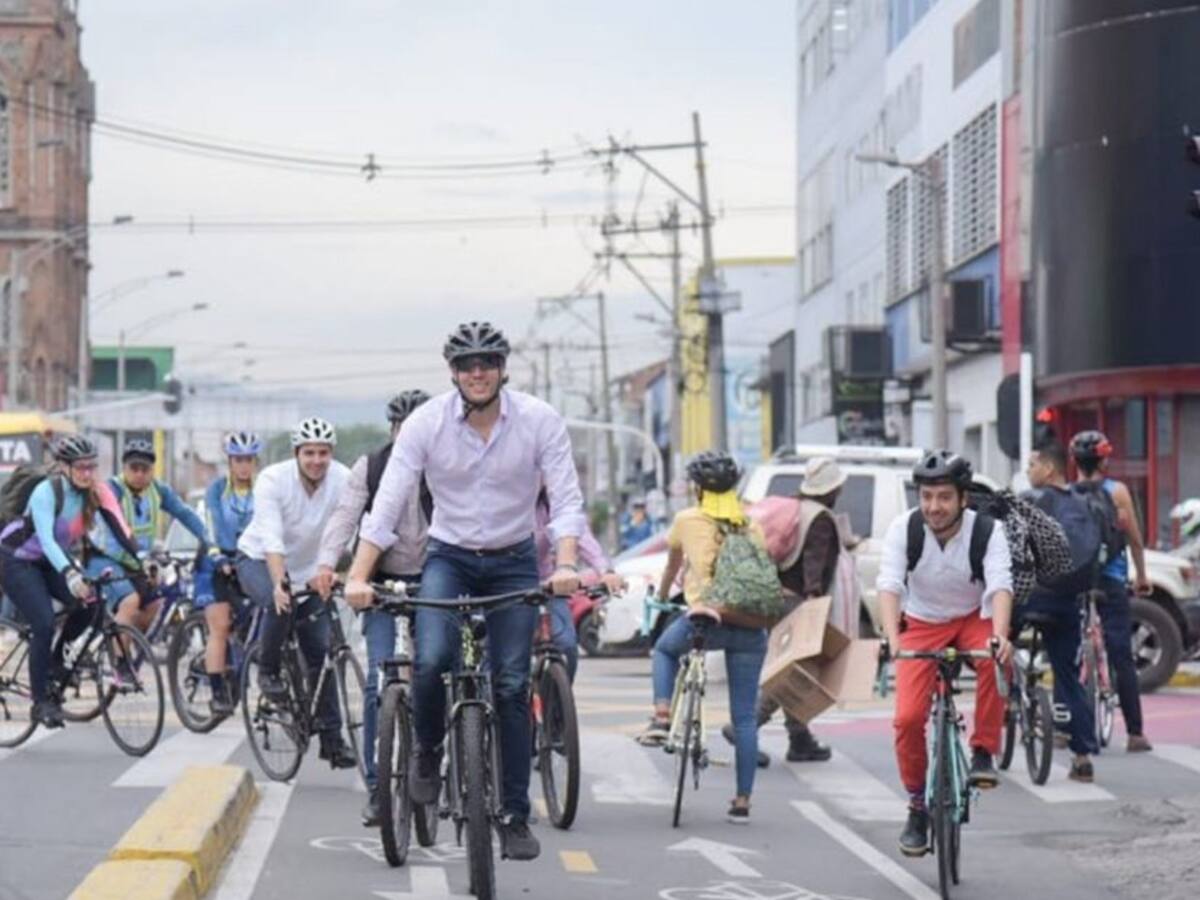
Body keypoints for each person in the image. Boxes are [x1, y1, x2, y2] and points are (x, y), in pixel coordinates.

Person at [344, 321, 585, 862]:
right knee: (429, 660)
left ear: (502, 369)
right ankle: (427, 752)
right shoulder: (427, 424)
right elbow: (385, 507)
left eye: (487, 363)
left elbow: (567, 501)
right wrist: (359, 576)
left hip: (515, 561)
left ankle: (515, 814)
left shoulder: (540, 420)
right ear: (453, 373)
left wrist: (566, 563)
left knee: (511, 685)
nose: (478, 373)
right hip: (448, 558)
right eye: (467, 365)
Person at [876, 450, 1013, 858]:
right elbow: (889, 583)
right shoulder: (904, 528)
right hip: (921, 622)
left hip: (973, 616)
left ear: (962, 499)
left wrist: (1001, 635)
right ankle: (917, 806)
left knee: (996, 657)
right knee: (907, 718)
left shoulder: (988, 532)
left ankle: (983, 750)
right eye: (927, 496)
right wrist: (892, 638)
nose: (934, 507)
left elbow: (1000, 585)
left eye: (944, 497)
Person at [318, 389, 431, 827]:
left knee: (436, 671)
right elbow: (345, 518)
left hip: (436, 578)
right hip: (379, 580)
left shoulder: (447, 466)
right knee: (377, 683)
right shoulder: (373, 466)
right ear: (392, 429)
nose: (410, 437)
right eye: (402, 428)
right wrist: (329, 564)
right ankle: (378, 789)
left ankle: (435, 765)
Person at [637, 450, 769, 824]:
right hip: (748, 625)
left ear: (698, 489)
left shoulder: (686, 520)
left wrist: (662, 599)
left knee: (664, 650)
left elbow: (672, 566)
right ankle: (742, 801)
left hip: (703, 622)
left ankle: (662, 715)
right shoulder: (751, 525)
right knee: (744, 718)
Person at [237, 416, 356, 769]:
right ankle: (269, 671)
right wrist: (278, 583)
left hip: (312, 571)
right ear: (296, 454)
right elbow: (272, 537)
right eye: (309, 453)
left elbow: (353, 528)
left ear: (331, 453)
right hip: (260, 559)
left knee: (322, 651)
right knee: (281, 604)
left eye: (323, 453)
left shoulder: (343, 479)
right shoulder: (273, 480)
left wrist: (344, 572)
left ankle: (333, 742)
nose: (317, 460)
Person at [0, 436, 139, 726]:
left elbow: (119, 527)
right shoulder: (46, 492)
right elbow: (48, 541)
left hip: (51, 560)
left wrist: (143, 560)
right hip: (17, 558)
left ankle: (56, 668)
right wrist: (71, 573)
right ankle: (40, 702)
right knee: (44, 623)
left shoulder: (95, 492)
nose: (87, 473)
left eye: (91, 467)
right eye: (81, 467)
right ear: (64, 467)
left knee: (91, 604)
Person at [722, 455, 842, 766]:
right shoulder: (820, 518)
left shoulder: (795, 508)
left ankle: (799, 740)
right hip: (797, 602)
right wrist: (815, 605)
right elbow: (814, 564)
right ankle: (745, 726)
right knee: (792, 674)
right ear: (832, 490)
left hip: (773, 598)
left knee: (791, 668)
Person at [1070, 430, 1153, 753]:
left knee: (1068, 653)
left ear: (1075, 461)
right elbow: (1133, 537)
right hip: (1111, 580)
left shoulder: (1067, 492)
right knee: (1121, 653)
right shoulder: (1117, 492)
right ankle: (1135, 733)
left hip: (1076, 582)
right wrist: (1142, 575)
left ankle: (1066, 728)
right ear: (1104, 460)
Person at [1023, 442, 1098, 781]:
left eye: (1031, 465)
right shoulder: (1086, 504)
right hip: (1068, 602)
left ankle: (1010, 704)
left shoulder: (1032, 503)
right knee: (1067, 674)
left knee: (995, 645)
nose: (1028, 472)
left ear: (1048, 469)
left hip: (1031, 599)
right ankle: (1082, 756)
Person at [85, 438, 213, 637]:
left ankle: (126, 648)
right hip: (104, 560)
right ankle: (120, 666)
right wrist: (143, 557)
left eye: (145, 469)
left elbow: (185, 514)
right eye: (134, 468)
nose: (139, 474)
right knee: (130, 602)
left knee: (156, 605)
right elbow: (118, 531)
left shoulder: (158, 491)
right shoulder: (112, 490)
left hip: (136, 563)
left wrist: (209, 539)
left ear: (152, 470)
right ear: (124, 468)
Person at [195, 431, 262, 716]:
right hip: (216, 562)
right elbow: (212, 524)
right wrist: (220, 555)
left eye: (248, 460)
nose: (244, 466)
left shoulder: (264, 489)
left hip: (250, 561)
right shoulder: (217, 489)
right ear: (229, 462)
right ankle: (218, 692)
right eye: (238, 460)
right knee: (220, 626)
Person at [533, 486, 625, 681]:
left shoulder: (554, 506)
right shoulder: (502, 503)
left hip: (548, 586)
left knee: (566, 646)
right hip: (505, 587)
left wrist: (606, 571)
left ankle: (558, 706)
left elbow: (581, 536)